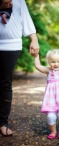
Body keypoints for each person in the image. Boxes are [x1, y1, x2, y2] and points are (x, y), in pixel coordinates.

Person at [0, 0, 39, 137]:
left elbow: (25, 18)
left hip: (10, 45)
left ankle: (3, 122)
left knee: (5, 83)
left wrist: (34, 40)